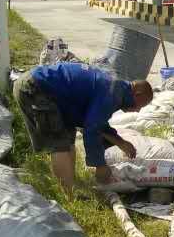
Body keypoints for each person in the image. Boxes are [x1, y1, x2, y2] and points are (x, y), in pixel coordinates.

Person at [14, 61, 153, 191]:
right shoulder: (112, 93)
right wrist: (100, 165)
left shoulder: (116, 88)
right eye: (141, 105)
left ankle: (71, 186)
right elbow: (92, 129)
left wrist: (121, 142)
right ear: (138, 94)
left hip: (49, 92)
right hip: (36, 88)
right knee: (59, 144)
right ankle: (69, 198)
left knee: (68, 140)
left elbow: (97, 122)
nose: (138, 110)